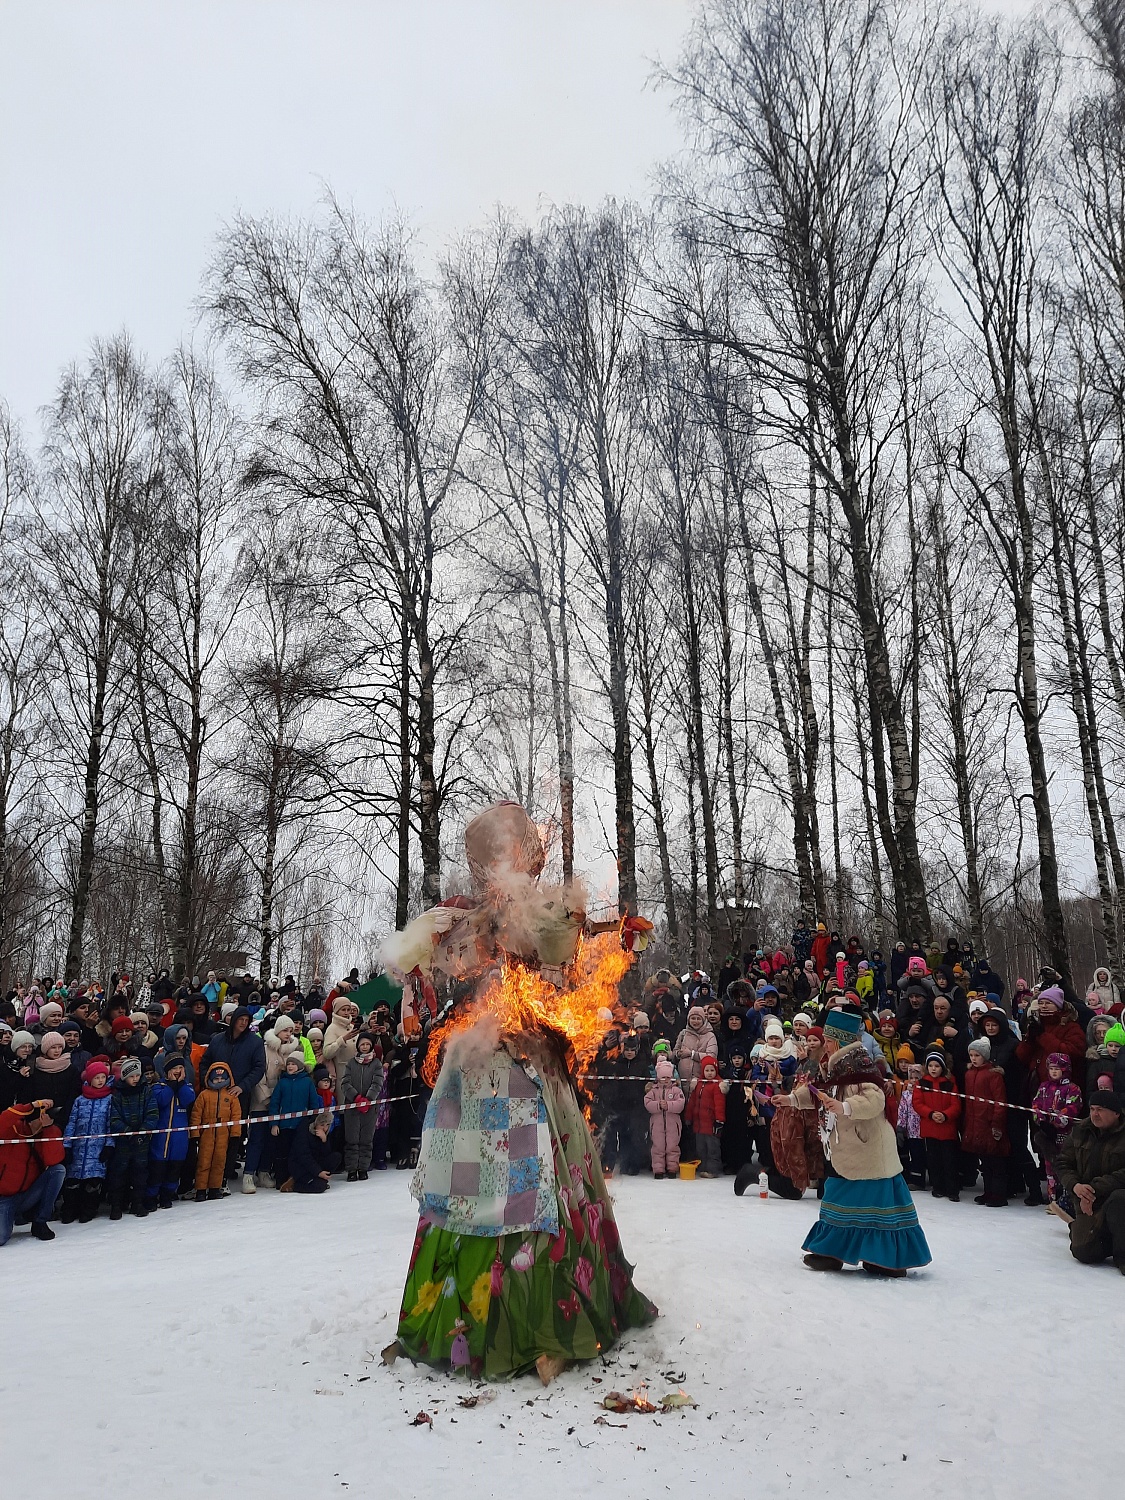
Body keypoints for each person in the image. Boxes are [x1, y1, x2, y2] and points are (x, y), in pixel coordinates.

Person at [773, 1011, 931, 1275]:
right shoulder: (833, 1066)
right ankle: (831, 1252)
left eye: (828, 1038)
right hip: (844, 1148)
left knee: (877, 1206)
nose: (824, 1043)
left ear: (839, 1040)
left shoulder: (860, 1066)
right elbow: (820, 1094)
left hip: (868, 1149)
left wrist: (846, 1106)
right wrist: (790, 1100)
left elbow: (875, 1101)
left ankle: (884, 1258)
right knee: (836, 1195)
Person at [1054, 1091, 1125, 1271]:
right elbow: (1063, 1163)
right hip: (1085, 1200)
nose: (1095, 1114)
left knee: (1120, 1199)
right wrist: (1075, 1186)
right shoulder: (1081, 1130)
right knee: (1083, 1252)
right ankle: (1084, 1229)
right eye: (1092, 1109)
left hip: (1114, 1197)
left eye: (1100, 1110)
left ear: (1116, 1113)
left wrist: (1092, 1190)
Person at [0, 1099, 66, 1246]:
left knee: (58, 1171)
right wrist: (31, 1106)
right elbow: (3, 1119)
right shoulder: (13, 1128)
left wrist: (49, 1129)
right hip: (4, 1198)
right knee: (1, 1238)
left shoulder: (45, 1134)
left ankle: (40, 1221)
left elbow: (53, 1160)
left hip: (27, 1195)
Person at [61, 1061, 114, 1223]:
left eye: (103, 1077)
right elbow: (71, 1123)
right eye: (96, 1077)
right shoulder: (80, 1100)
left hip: (97, 1150)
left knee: (93, 1182)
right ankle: (70, 1209)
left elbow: (110, 1124)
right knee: (73, 1182)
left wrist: (109, 1144)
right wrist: (67, 1145)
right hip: (79, 1149)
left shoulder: (110, 1099)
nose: (100, 1080)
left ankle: (89, 1209)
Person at [106, 1057, 157, 1220]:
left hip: (142, 1141)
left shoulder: (146, 1091)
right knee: (119, 1173)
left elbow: (152, 1113)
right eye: (131, 1076)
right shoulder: (117, 1095)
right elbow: (114, 1118)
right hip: (123, 1142)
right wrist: (127, 1132)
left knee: (140, 1173)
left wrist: (142, 1132)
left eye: (137, 1075)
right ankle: (116, 1205)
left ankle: (138, 1203)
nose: (135, 1079)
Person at [960, 1037, 1009, 1207]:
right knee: (984, 1161)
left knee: (995, 1161)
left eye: (977, 1055)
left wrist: (996, 1122)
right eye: (971, 1055)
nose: (973, 1058)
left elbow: (999, 1101)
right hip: (975, 1122)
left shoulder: (993, 1075)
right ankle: (988, 1191)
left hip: (989, 1122)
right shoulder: (969, 1074)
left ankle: (998, 1193)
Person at [1031, 1053, 1083, 1206]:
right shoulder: (1044, 1087)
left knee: (1065, 1165)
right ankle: (1052, 1199)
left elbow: (1073, 1108)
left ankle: (1066, 1200)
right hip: (1048, 1134)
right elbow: (1036, 1104)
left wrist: (1057, 1121)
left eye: (1057, 1068)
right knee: (1050, 1165)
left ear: (1065, 1069)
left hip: (1066, 1134)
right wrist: (1041, 1121)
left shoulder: (1072, 1089)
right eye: (1051, 1068)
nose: (1053, 1072)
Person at [147, 1054, 195, 1210]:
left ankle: (168, 1195)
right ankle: (152, 1197)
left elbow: (189, 1099)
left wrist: (179, 1084)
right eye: (174, 1068)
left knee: (174, 1170)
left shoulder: (186, 1086)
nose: (178, 1071)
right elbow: (161, 1101)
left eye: (180, 1068)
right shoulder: (158, 1087)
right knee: (157, 1171)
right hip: (161, 1139)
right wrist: (171, 1085)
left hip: (179, 1139)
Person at [914, 1050, 962, 1202]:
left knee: (950, 1160)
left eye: (937, 1066)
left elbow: (956, 1105)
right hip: (930, 1127)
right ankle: (938, 1187)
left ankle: (952, 1189)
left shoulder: (950, 1083)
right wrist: (930, 1113)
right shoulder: (921, 1084)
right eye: (931, 1066)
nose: (933, 1069)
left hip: (947, 1128)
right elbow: (917, 1103)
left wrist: (945, 1115)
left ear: (943, 1067)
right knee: (934, 1160)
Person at [190, 1060, 242, 1201]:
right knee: (204, 1161)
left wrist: (235, 1134)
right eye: (216, 1078)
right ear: (210, 1078)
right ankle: (200, 1189)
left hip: (223, 1133)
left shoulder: (231, 1096)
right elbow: (196, 1115)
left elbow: (236, 1116)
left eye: (222, 1078)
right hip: (206, 1133)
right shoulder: (204, 1095)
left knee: (219, 1162)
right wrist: (195, 1134)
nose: (219, 1081)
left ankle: (214, 1188)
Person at [339, 1031, 384, 1181]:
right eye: (362, 1044)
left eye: (367, 1044)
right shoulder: (351, 1063)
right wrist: (356, 1098)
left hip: (369, 1107)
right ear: (358, 1046)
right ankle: (352, 1169)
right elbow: (345, 1082)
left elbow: (378, 1082)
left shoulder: (376, 1063)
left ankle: (363, 1168)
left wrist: (368, 1099)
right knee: (351, 1139)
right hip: (352, 1106)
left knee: (366, 1139)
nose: (364, 1047)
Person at [684, 1057, 726, 1178]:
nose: (709, 1073)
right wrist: (688, 1117)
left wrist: (719, 1121)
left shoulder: (717, 1085)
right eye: (707, 1070)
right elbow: (692, 1102)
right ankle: (703, 1167)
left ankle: (713, 1170)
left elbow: (719, 1105)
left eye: (712, 1070)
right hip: (699, 1124)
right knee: (701, 1148)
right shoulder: (698, 1084)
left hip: (711, 1124)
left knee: (712, 1148)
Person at [645, 1056, 685, 1179]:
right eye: (663, 1077)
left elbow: (681, 1104)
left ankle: (672, 1169)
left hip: (673, 1124)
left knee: (672, 1146)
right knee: (658, 1146)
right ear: (658, 1078)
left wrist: (669, 1105)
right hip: (657, 1124)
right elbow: (647, 1103)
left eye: (668, 1077)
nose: (666, 1080)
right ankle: (658, 1169)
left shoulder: (676, 1090)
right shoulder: (653, 1091)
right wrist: (658, 1105)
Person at [287, 1110, 341, 1193]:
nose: (325, 1128)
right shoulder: (304, 1132)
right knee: (320, 1187)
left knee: (336, 1157)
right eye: (322, 1125)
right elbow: (304, 1156)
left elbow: (326, 1154)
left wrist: (324, 1141)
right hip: (300, 1166)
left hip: (314, 1163)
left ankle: (317, 1179)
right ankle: (294, 1185)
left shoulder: (324, 1133)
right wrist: (318, 1172)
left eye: (327, 1125)